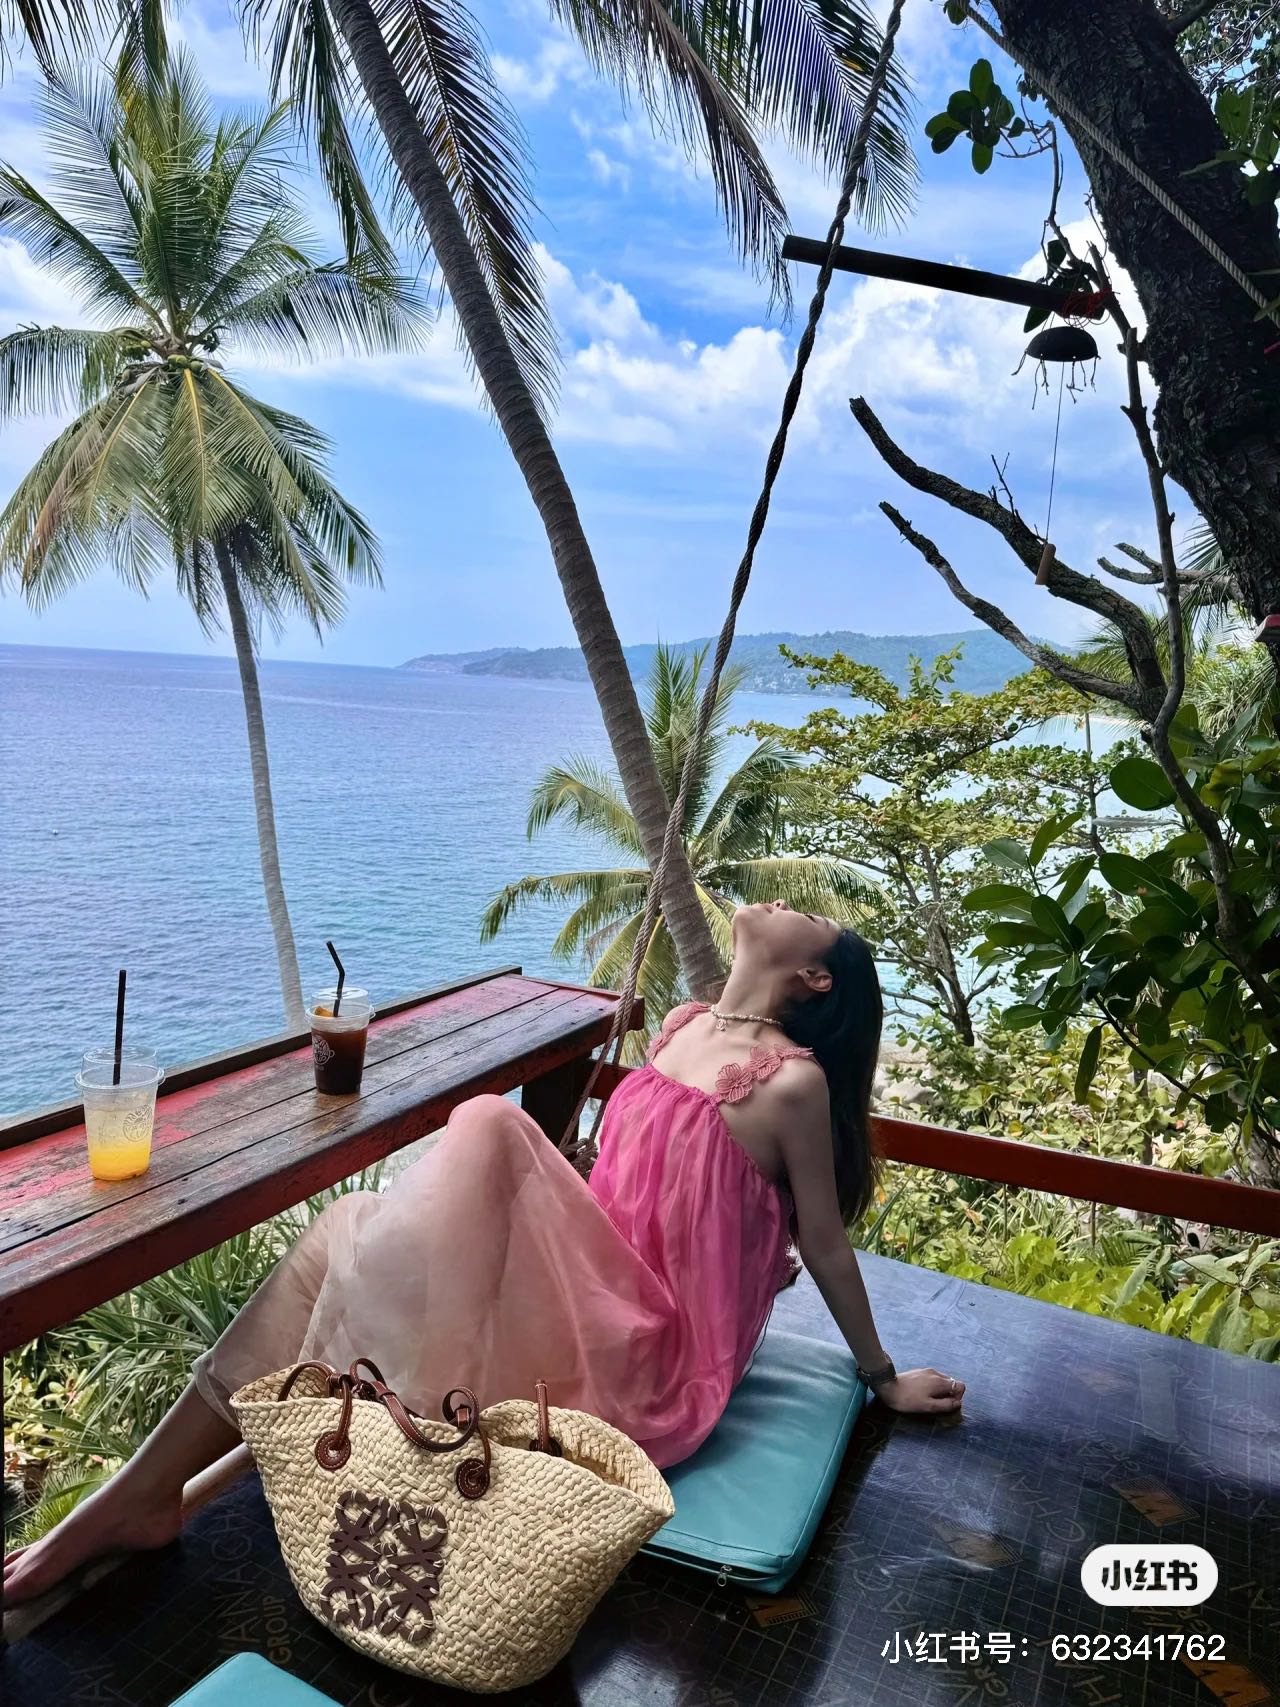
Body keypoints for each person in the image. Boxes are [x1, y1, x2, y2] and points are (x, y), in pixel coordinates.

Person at [4, 900, 965, 1605]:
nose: (786, 903)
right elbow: (650, 1192)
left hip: (650, 1356)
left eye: (810, 920)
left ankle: (385, 1426)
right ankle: (145, 1493)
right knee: (345, 1227)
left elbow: (821, 1240)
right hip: (590, 1293)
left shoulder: (792, 1084)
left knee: (490, 1128)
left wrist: (881, 1377)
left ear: (816, 979)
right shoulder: (680, 1027)